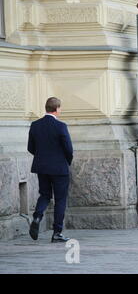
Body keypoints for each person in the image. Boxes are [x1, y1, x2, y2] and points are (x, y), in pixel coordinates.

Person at [27, 97, 73, 243]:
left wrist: (42, 158)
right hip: (59, 168)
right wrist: (67, 161)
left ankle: (37, 216)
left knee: (45, 194)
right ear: (57, 109)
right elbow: (68, 148)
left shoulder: (35, 125)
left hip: (42, 167)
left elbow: (30, 147)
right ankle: (57, 233)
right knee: (60, 200)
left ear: (46, 108)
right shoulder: (61, 126)